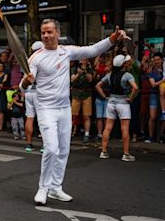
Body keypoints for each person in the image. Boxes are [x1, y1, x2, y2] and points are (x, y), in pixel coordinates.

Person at [21, 18, 127, 205]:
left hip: (64, 108)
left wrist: (111, 38)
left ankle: (56, 187)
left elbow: (92, 50)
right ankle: (43, 188)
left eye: (49, 32)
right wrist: (26, 82)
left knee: (63, 150)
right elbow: (23, 86)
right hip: (46, 108)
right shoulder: (36, 57)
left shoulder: (66, 52)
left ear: (57, 33)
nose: (46, 35)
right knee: (51, 149)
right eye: (43, 32)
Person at [96, 54, 138, 161]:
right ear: (123, 64)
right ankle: (126, 154)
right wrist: (131, 98)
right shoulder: (127, 75)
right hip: (123, 103)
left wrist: (105, 96)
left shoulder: (110, 75)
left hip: (111, 102)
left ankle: (103, 151)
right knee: (124, 128)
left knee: (108, 127)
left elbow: (98, 86)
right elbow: (135, 87)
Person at [20, 41, 43, 152]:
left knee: (29, 117)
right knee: (42, 119)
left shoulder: (28, 61)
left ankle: (29, 144)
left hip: (28, 92)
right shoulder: (42, 60)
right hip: (39, 93)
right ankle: (44, 145)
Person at [70, 58, 94, 142]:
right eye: (81, 60)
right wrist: (78, 74)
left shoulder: (90, 69)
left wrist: (85, 72)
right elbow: (72, 79)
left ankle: (87, 134)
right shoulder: (74, 69)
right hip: (76, 94)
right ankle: (70, 132)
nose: (82, 61)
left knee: (86, 115)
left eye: (84, 60)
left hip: (86, 94)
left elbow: (90, 79)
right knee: (73, 114)